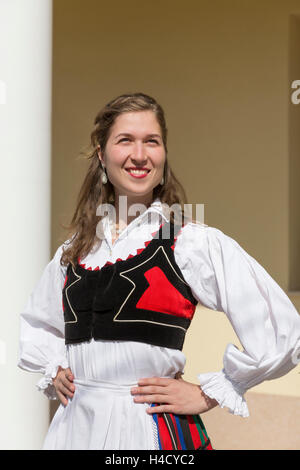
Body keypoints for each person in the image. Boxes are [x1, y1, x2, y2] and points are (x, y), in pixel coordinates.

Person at [18, 92, 300, 450]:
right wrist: (56, 369)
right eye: (125, 141)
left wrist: (209, 393)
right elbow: (39, 323)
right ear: (102, 155)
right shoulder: (76, 249)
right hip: (75, 429)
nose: (139, 155)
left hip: (148, 429)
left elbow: (282, 330)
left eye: (151, 141)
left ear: (164, 154)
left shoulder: (187, 240)